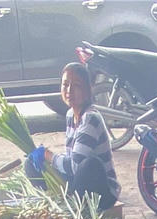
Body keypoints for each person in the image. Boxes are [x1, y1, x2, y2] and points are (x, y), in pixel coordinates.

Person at [27, 63, 120, 211]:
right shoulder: (71, 114)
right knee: (30, 163)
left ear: (88, 90)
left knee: (89, 165)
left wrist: (48, 155)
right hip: (79, 183)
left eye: (76, 86)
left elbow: (75, 166)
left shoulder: (91, 118)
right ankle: (54, 203)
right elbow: (71, 157)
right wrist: (46, 158)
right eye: (65, 85)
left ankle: (73, 206)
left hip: (103, 192)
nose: (69, 91)